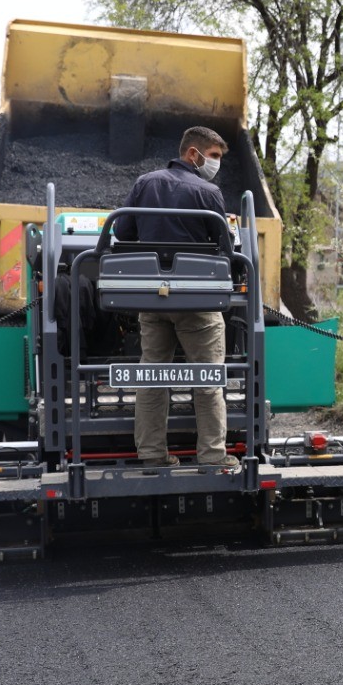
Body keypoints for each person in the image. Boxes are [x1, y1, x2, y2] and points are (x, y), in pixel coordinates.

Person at [112, 126, 236, 470]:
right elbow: (225, 249)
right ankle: (212, 457)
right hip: (197, 302)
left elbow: (122, 232)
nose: (215, 164)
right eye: (213, 156)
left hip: (152, 301)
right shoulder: (209, 192)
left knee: (152, 377)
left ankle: (152, 455)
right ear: (193, 154)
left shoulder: (144, 183)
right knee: (208, 379)